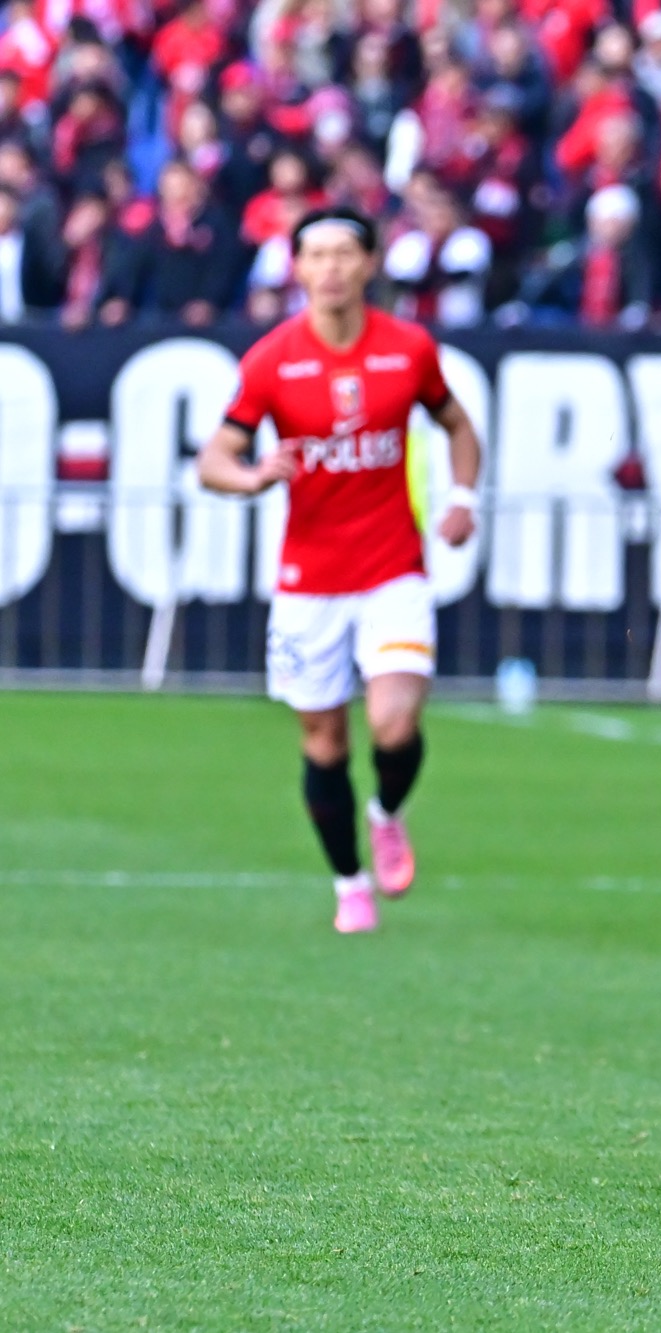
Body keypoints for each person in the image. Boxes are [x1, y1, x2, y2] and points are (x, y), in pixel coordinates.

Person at [195, 206, 484, 933]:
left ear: (369, 263)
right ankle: (349, 882)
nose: (328, 267)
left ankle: (385, 813)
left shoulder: (408, 348)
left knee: (393, 722)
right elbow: (212, 461)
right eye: (314, 254)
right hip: (307, 582)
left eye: (342, 253)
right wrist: (254, 475)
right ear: (296, 269)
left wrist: (461, 497)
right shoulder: (271, 359)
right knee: (323, 739)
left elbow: (456, 425)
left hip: (393, 569)